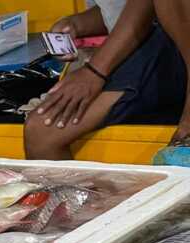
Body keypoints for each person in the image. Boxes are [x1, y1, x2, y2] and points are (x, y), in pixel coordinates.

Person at [25, 0, 190, 159]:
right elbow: (115, 9)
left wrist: (95, 71)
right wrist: (76, 24)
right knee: (42, 132)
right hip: (140, 42)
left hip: (169, 44)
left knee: (43, 131)